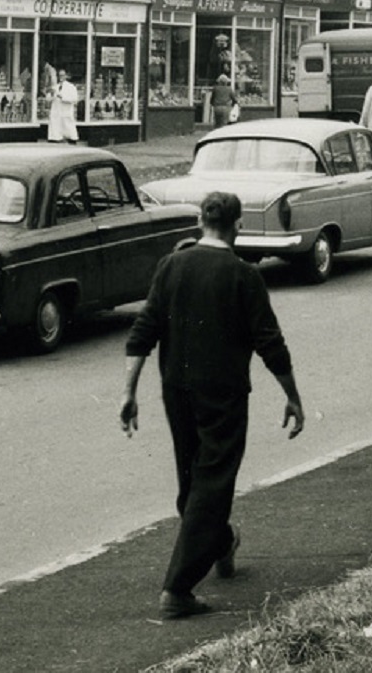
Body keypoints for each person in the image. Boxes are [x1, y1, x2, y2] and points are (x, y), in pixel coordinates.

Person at [120, 191, 305, 620]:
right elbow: (270, 344)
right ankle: (177, 589)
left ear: (201, 224)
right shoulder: (243, 276)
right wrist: (292, 396)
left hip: (176, 390)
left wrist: (128, 392)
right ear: (237, 225)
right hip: (222, 394)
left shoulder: (171, 266)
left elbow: (143, 331)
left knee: (192, 478)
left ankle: (220, 542)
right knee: (213, 483)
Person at [46, 68, 80, 144]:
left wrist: (62, 97)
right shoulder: (55, 87)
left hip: (66, 111)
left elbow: (74, 99)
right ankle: (56, 140)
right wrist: (51, 94)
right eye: (59, 75)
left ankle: (72, 141)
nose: (61, 77)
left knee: (69, 130)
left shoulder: (71, 87)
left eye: (62, 75)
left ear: (66, 76)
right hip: (56, 112)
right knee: (55, 132)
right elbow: (48, 99)